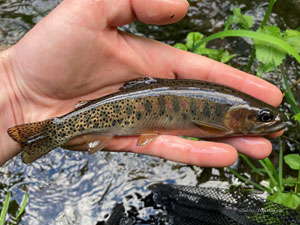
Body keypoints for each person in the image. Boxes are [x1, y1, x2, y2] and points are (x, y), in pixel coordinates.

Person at [0, 0, 283, 167]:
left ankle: (53, 132)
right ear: (238, 118)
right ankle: (56, 131)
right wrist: (14, 81)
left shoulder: (227, 115)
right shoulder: (222, 122)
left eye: (266, 118)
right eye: (264, 117)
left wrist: (14, 84)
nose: (268, 121)